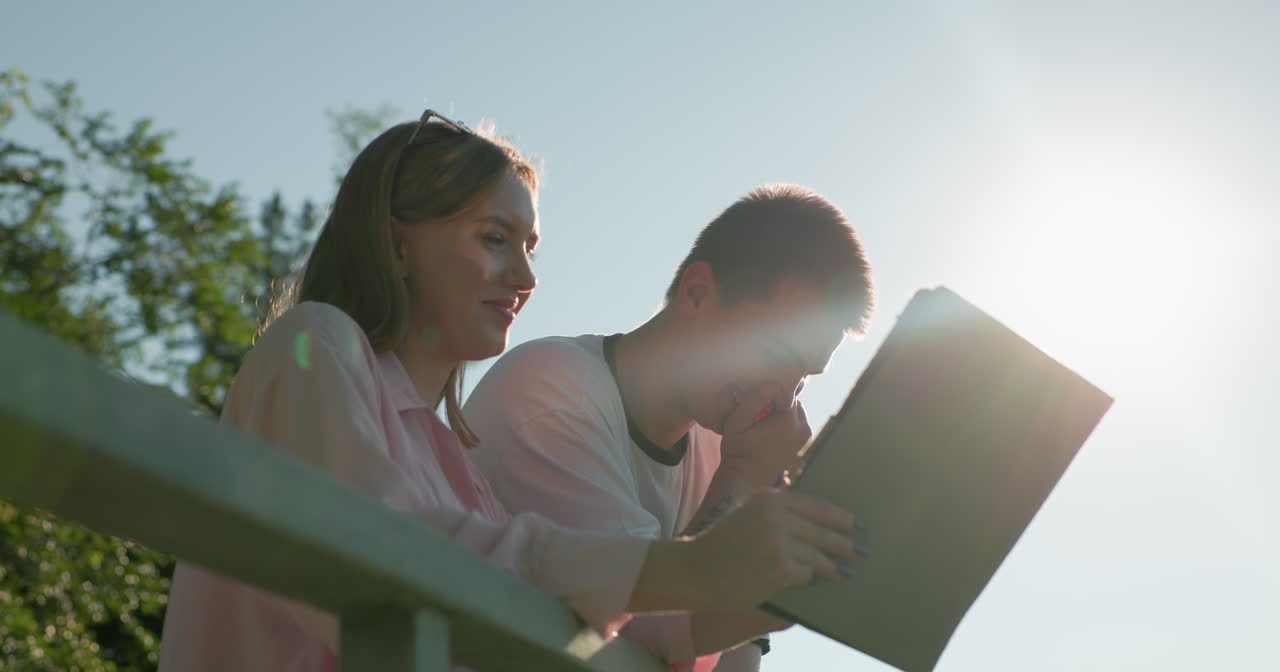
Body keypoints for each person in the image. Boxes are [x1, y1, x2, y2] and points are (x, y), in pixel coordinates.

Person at [157, 112, 862, 672]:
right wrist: (697, 564)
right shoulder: (315, 344)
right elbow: (387, 551)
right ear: (397, 242)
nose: (525, 279)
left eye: (530, 248)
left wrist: (796, 575)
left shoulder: (455, 468)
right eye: (495, 239)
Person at [465, 184, 875, 671]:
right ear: (697, 294)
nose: (783, 398)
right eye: (775, 356)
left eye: (804, 377)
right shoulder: (551, 391)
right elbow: (642, 635)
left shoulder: (722, 440)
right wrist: (742, 479)